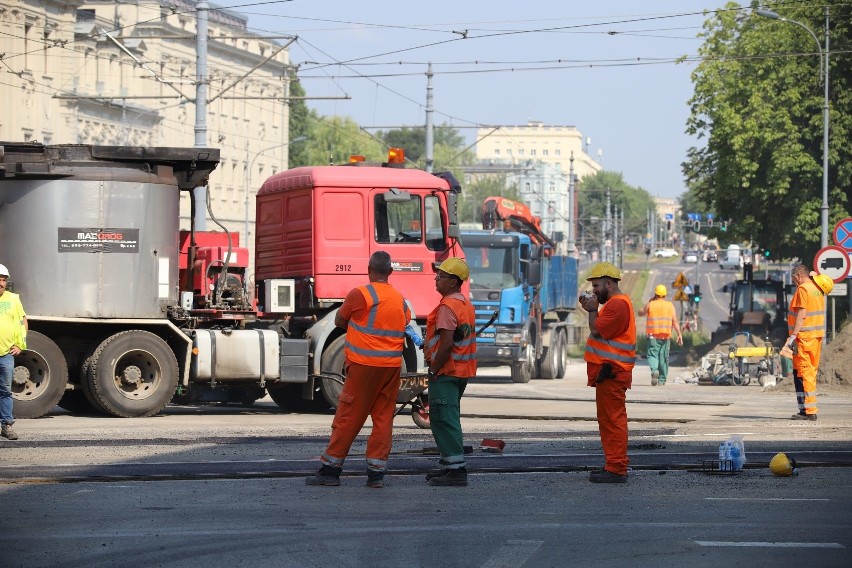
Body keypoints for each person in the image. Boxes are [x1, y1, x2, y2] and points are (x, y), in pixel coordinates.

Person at [305, 251, 411, 488]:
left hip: (364, 366)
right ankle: (376, 475)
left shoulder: (361, 294)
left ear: (369, 269)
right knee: (383, 419)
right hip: (391, 367)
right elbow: (405, 321)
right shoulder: (399, 298)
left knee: (348, 417)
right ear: (390, 272)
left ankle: (330, 470)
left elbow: (340, 321)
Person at [579, 262, 636, 483]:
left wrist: (593, 310)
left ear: (609, 283)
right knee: (609, 420)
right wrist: (593, 309)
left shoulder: (617, 305)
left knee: (613, 421)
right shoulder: (615, 304)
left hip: (612, 373)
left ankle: (616, 468)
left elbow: (598, 330)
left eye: (596, 286)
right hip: (609, 373)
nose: (593, 290)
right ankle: (613, 464)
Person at [423, 258, 476, 487]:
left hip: (446, 370)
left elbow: (445, 344)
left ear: (453, 282)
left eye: (441, 276)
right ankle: (448, 465)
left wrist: (434, 368)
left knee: (444, 419)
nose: (436, 279)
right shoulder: (465, 304)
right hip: (461, 371)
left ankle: (456, 470)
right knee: (448, 418)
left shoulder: (447, 307)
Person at [784, 265, 833, 421]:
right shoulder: (816, 288)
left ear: (798, 275)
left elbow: (801, 315)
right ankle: (804, 409)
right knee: (802, 372)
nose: (794, 283)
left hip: (804, 337)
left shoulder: (803, 289)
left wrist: (793, 336)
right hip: (814, 337)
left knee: (805, 373)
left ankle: (810, 411)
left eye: (794, 279)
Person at [0, 263, 27, 441]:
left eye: (3, 280)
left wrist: (20, 345)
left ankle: (6, 426)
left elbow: (23, 321)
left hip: (5, 354)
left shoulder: (13, 299)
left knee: (5, 391)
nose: (1, 283)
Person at [638, 284, 683, 386]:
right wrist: (679, 334)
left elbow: (640, 313)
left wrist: (649, 302)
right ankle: (662, 380)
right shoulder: (670, 305)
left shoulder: (651, 304)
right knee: (663, 358)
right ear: (665, 295)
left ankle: (654, 370)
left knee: (652, 355)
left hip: (653, 337)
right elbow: (675, 321)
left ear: (656, 294)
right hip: (665, 337)